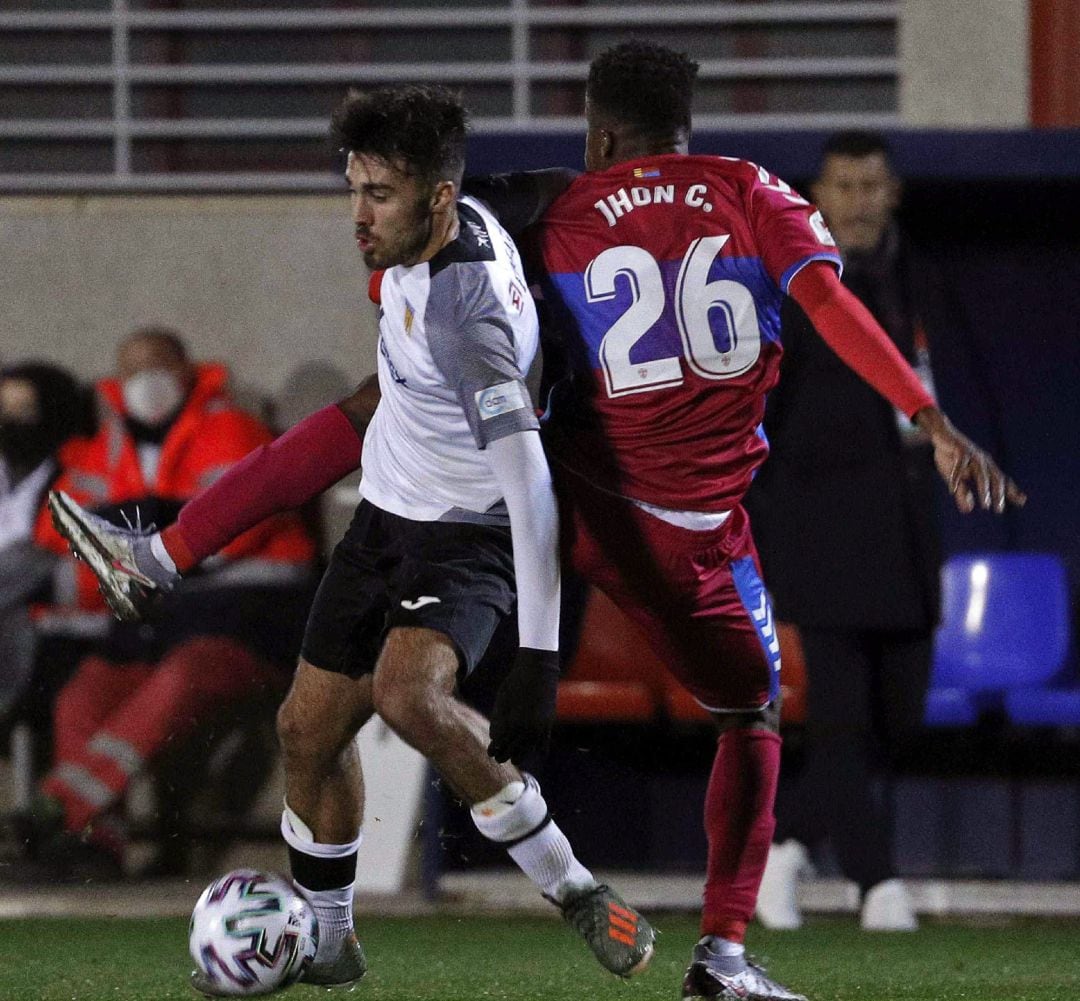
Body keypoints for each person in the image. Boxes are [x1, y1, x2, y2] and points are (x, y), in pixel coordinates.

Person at [53, 49, 1021, 1001]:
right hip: (686, 532)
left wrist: (539, 654)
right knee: (749, 715)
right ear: (687, 127)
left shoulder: (549, 201)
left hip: (563, 496)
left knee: (386, 488)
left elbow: (454, 236)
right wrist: (928, 416)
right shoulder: (749, 189)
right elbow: (828, 300)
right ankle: (722, 951)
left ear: (599, 133)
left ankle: (568, 881)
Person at [49, 87, 654, 993]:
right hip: (385, 518)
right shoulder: (447, 221)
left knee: (410, 695)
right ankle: (330, 941)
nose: (357, 215)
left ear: (438, 200)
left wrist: (535, 650)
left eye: (379, 194)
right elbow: (564, 192)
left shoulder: (466, 317)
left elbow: (529, 484)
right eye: (354, 187)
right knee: (306, 726)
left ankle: (573, 889)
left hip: (469, 532)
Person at [744, 131, 955, 931]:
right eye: (845, 185)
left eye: (873, 185)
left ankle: (784, 845)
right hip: (820, 538)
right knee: (838, 719)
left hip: (906, 536)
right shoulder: (793, 289)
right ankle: (878, 884)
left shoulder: (915, 279)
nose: (860, 201)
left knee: (894, 717)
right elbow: (759, 417)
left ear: (892, 193)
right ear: (819, 197)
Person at [22, 328, 317, 880]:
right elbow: (65, 547)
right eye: (133, 370)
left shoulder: (231, 429)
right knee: (82, 694)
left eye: (159, 366)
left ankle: (62, 805)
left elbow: (234, 533)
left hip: (247, 624)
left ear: (187, 369)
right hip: (153, 627)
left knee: (182, 680)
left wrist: (136, 535)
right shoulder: (102, 452)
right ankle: (91, 848)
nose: (147, 383)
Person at [0, 362, 94, 720]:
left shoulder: (81, 474)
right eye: (3, 411)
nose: (9, 422)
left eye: (23, 411)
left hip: (53, 612)